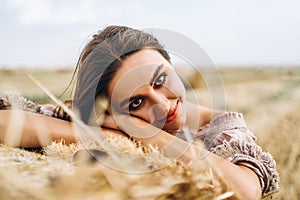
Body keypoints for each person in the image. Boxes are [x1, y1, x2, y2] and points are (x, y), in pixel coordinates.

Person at [0, 25, 279, 199]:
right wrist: (98, 135)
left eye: (160, 80)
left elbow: (244, 192)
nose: (161, 105)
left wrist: (143, 132)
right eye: (135, 103)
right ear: (110, 110)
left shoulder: (224, 129)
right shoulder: (107, 123)